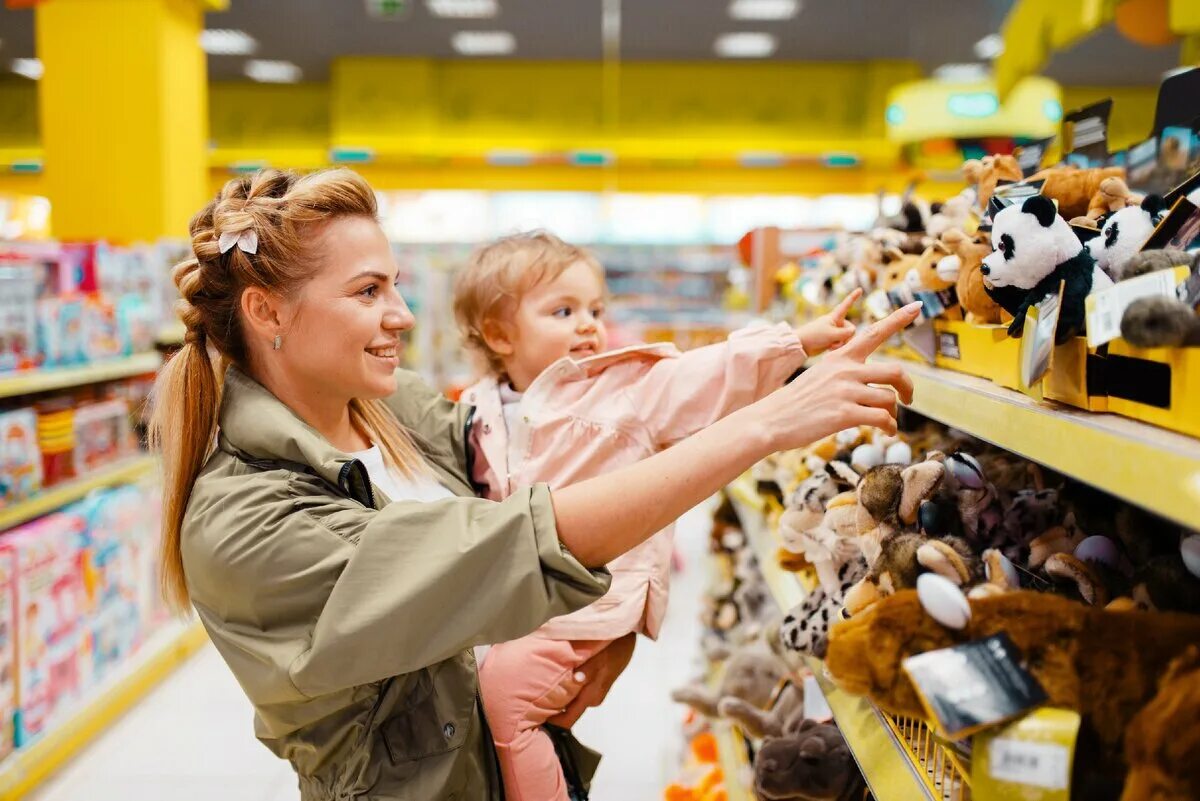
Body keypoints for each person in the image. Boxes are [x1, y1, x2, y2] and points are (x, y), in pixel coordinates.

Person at [149, 168, 920, 801]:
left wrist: (758, 365)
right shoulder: (240, 520)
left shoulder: (393, 408)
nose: (403, 313)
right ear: (266, 310)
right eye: (368, 291)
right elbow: (503, 550)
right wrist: (763, 425)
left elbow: (572, 449)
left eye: (394, 285)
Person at [453, 231, 862, 800]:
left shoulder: (623, 388)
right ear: (499, 334)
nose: (588, 324)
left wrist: (797, 340)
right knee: (485, 693)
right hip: (521, 595)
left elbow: (706, 371)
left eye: (595, 309)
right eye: (563, 310)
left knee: (503, 697)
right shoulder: (477, 406)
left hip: (587, 595)